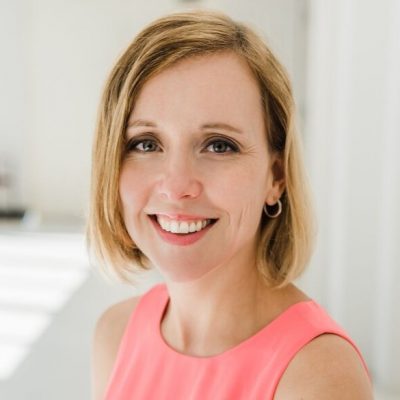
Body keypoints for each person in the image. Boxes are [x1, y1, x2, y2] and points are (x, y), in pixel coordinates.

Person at [87, 10, 373, 400]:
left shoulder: (318, 377)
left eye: (219, 145)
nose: (177, 186)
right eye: (146, 144)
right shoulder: (114, 335)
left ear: (276, 176)